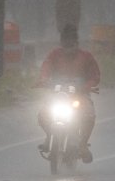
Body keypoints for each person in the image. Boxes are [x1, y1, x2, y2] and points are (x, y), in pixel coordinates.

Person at [36, 23, 100, 162]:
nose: (68, 49)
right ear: (61, 44)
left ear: (77, 43)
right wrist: (43, 79)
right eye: (65, 45)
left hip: (79, 95)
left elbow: (95, 76)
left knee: (89, 115)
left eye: (71, 45)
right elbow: (46, 67)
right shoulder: (54, 55)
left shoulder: (86, 57)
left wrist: (87, 86)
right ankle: (49, 135)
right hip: (58, 95)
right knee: (43, 115)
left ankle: (82, 145)